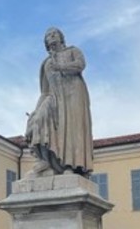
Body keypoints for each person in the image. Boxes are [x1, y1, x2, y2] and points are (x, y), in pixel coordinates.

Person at [25, 27, 93, 176]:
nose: (51, 36)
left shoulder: (73, 51)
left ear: (61, 37)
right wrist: (36, 111)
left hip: (74, 95)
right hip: (54, 97)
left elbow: (80, 65)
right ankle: (45, 161)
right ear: (46, 42)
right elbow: (44, 91)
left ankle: (71, 166)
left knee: (72, 130)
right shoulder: (46, 63)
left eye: (54, 33)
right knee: (39, 120)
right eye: (48, 35)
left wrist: (60, 66)